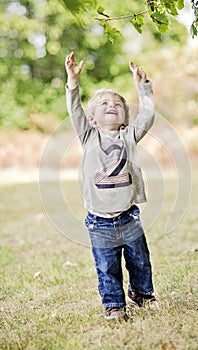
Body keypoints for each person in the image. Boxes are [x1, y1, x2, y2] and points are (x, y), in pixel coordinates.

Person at [65, 52, 159, 321]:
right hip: (99, 221)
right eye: (104, 103)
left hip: (129, 216)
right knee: (107, 267)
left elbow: (148, 116)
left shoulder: (129, 135)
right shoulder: (88, 135)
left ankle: (142, 294)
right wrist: (73, 82)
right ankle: (114, 305)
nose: (111, 105)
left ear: (125, 118)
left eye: (117, 104)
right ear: (92, 117)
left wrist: (144, 87)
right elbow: (74, 109)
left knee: (139, 261)